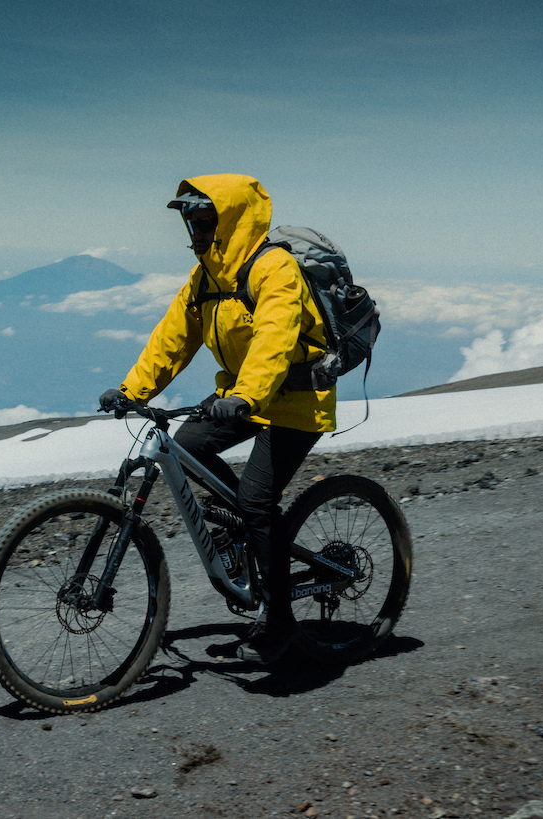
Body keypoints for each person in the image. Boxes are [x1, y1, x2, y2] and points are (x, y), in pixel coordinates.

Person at [99, 173, 337, 664]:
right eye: (192, 223)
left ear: (231, 221)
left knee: (255, 498)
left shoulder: (275, 269)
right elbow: (173, 338)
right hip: (242, 395)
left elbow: (275, 337)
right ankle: (242, 535)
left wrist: (247, 396)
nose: (197, 233)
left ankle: (278, 623)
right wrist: (131, 390)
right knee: (182, 453)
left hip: (295, 400)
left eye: (206, 222)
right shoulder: (206, 277)